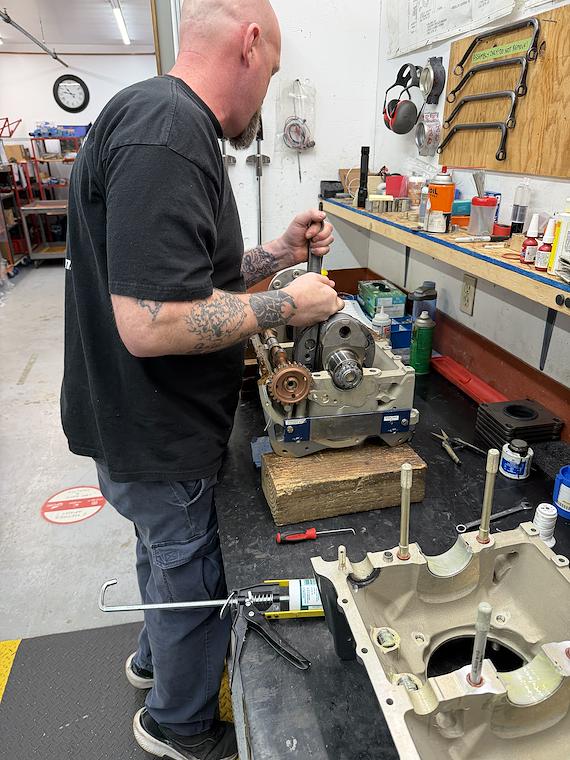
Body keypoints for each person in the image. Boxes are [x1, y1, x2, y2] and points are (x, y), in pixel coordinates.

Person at [61, 1, 343, 758]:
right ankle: (179, 727)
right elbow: (150, 322)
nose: (268, 91)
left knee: (163, 556)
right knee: (190, 576)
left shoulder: (158, 116)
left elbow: (184, 278)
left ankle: (155, 665)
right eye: (273, 72)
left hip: (133, 421)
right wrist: (290, 304)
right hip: (157, 427)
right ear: (250, 44)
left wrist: (277, 255)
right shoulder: (169, 132)